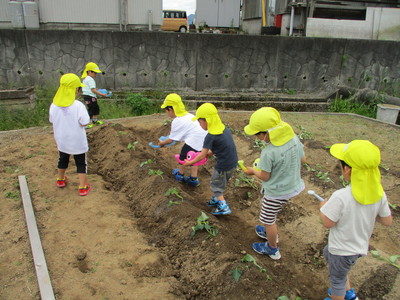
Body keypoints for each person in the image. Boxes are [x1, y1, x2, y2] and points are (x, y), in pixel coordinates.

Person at [319, 140, 392, 300]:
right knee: (327, 254)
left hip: (342, 249)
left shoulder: (341, 196)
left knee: (336, 280)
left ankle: (339, 296)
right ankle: (349, 294)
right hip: (358, 247)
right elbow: (387, 221)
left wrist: (323, 207)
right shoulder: (379, 194)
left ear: (347, 170)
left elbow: (328, 223)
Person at [243, 107, 306, 260]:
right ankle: (269, 234)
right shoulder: (294, 139)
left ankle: (272, 248)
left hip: (277, 192)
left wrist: (252, 171)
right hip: (293, 185)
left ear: (268, 132)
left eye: (258, 134)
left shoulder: (269, 152)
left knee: (268, 219)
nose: (257, 138)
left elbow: (264, 176)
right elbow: (302, 159)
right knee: (272, 215)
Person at [184, 103, 238, 215]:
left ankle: (223, 206)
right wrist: (211, 153)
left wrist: (190, 162)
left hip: (223, 165)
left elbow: (202, 155)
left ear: (207, 121)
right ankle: (216, 199)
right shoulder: (223, 129)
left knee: (215, 184)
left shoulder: (210, 136)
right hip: (232, 163)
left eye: (199, 121)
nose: (199, 124)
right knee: (220, 182)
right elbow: (222, 146)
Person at [49, 73, 92, 196]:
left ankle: (60, 180)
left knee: (62, 158)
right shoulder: (78, 106)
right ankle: (83, 187)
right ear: (76, 90)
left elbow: (52, 120)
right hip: (77, 140)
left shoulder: (54, 105)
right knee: (81, 162)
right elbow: (84, 122)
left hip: (62, 139)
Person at [159, 93, 207, 187]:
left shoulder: (177, 121)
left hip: (194, 141)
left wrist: (162, 143)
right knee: (194, 157)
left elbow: (171, 140)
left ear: (170, 110)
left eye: (166, 111)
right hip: (203, 141)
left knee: (183, 156)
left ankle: (180, 174)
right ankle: (193, 178)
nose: (167, 113)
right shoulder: (189, 115)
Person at [81, 62, 107, 128]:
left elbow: (89, 88)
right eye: (95, 72)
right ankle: (86, 124)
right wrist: (102, 94)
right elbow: (93, 90)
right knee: (92, 110)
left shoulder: (85, 78)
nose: (96, 74)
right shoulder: (90, 79)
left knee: (95, 109)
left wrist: (96, 89)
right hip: (90, 97)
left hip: (87, 96)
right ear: (89, 72)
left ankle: (94, 121)